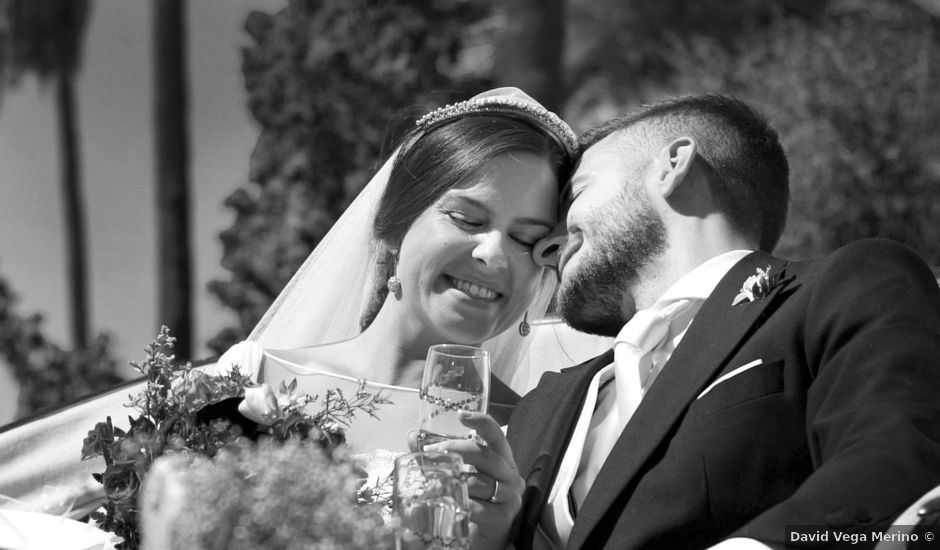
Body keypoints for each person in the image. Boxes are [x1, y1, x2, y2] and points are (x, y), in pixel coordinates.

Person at [0, 87, 579, 514]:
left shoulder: (543, 434)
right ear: (393, 229)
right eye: (466, 218)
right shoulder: (252, 382)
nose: (494, 255)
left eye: (529, 240)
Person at [427, 94, 940, 550]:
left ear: (672, 164)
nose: (546, 245)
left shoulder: (841, 289)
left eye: (575, 195)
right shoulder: (542, 405)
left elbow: (903, 468)